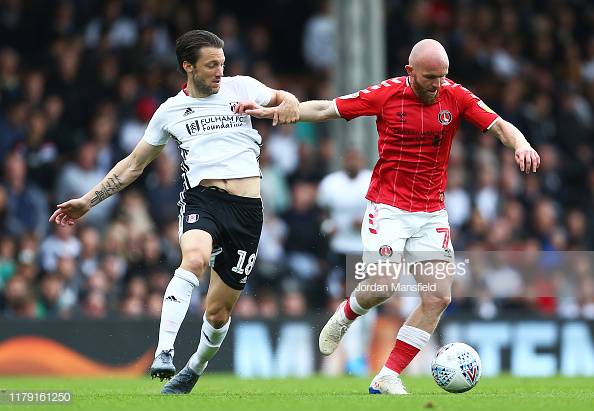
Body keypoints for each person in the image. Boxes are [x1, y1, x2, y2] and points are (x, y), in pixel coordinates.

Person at [241, 39, 540, 394]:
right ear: (410, 72)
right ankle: (346, 314)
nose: (437, 85)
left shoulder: (455, 96)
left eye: (442, 77)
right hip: (388, 207)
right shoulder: (386, 94)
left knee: (437, 297)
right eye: (430, 77)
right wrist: (275, 111)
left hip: (431, 212)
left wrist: (521, 144)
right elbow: (327, 109)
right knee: (384, 286)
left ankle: (387, 375)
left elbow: (500, 125)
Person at [49, 30, 299, 394]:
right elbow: (134, 164)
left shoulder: (241, 87)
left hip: (248, 211)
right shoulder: (169, 111)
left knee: (217, 313)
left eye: (222, 64)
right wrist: (88, 200)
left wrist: (289, 101)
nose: (219, 71)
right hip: (203, 200)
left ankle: (194, 367)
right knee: (193, 259)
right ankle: (164, 352)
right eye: (211, 65)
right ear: (188, 67)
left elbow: (282, 96)